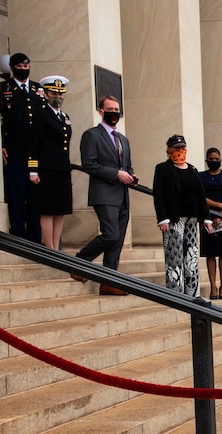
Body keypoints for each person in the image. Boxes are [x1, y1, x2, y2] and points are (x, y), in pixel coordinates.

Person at [75, 96, 138, 295]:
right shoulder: (92, 135)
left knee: (117, 240)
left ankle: (108, 280)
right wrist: (116, 174)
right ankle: (79, 261)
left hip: (122, 196)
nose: (114, 113)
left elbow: (126, 165)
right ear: (101, 111)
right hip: (104, 194)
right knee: (110, 235)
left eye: (117, 109)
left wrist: (131, 174)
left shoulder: (123, 139)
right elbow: (89, 164)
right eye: (110, 109)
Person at [153, 135, 213, 296]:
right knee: (174, 256)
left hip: (192, 219)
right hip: (174, 219)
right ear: (169, 151)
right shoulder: (163, 169)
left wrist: (206, 217)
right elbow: (158, 195)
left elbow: (201, 194)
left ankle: (192, 293)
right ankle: (176, 294)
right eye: (176, 149)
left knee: (191, 256)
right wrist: (162, 218)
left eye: (182, 148)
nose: (180, 152)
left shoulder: (192, 169)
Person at [0, 52, 46, 242]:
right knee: (16, 197)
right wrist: (1, 145)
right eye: (20, 67)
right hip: (14, 152)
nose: (24, 70)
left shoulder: (38, 89)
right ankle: (19, 237)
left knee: (34, 198)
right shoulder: (4, 89)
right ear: (12, 68)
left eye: (27, 67)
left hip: (35, 154)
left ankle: (35, 239)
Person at [28, 76, 73, 250]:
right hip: (46, 169)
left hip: (62, 169)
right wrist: (33, 170)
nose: (58, 97)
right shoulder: (41, 114)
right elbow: (33, 144)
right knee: (47, 210)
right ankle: (49, 248)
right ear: (46, 94)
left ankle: (56, 247)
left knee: (60, 210)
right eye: (54, 93)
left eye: (61, 94)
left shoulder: (64, 116)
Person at [199, 147, 222, 299]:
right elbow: (200, 196)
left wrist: (221, 214)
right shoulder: (201, 176)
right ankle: (213, 287)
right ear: (206, 160)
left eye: (216, 159)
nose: (214, 161)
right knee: (210, 253)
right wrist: (218, 206)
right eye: (211, 159)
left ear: (220, 160)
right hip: (207, 216)